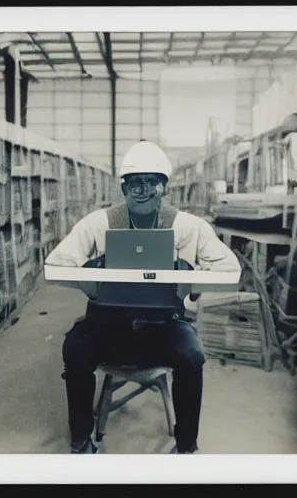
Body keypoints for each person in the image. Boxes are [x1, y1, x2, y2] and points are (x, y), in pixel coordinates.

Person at [45, 140, 241, 454]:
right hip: (108, 324)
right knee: (75, 349)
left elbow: (229, 268)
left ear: (165, 188)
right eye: (134, 183)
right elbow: (56, 263)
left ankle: (186, 446)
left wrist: (189, 276)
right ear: (123, 188)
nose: (142, 189)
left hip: (163, 325)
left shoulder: (188, 226)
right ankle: (81, 440)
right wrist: (95, 272)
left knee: (191, 354)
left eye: (151, 182)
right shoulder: (100, 222)